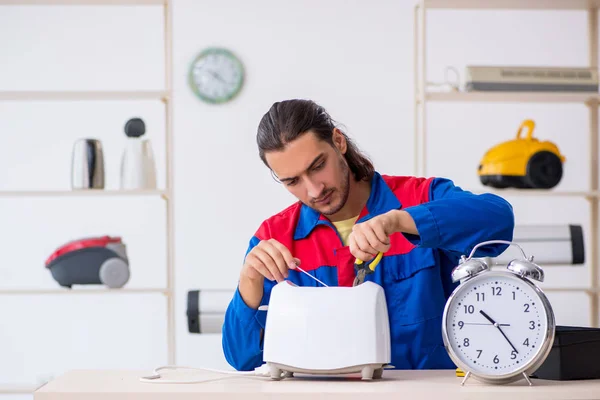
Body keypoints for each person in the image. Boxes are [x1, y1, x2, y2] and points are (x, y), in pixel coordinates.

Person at [222, 99, 515, 371]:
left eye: (318, 166)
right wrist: (249, 280)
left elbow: (499, 220)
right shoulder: (275, 238)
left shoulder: (418, 197)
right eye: (292, 181)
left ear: (338, 142)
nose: (313, 190)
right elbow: (242, 359)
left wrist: (402, 220)